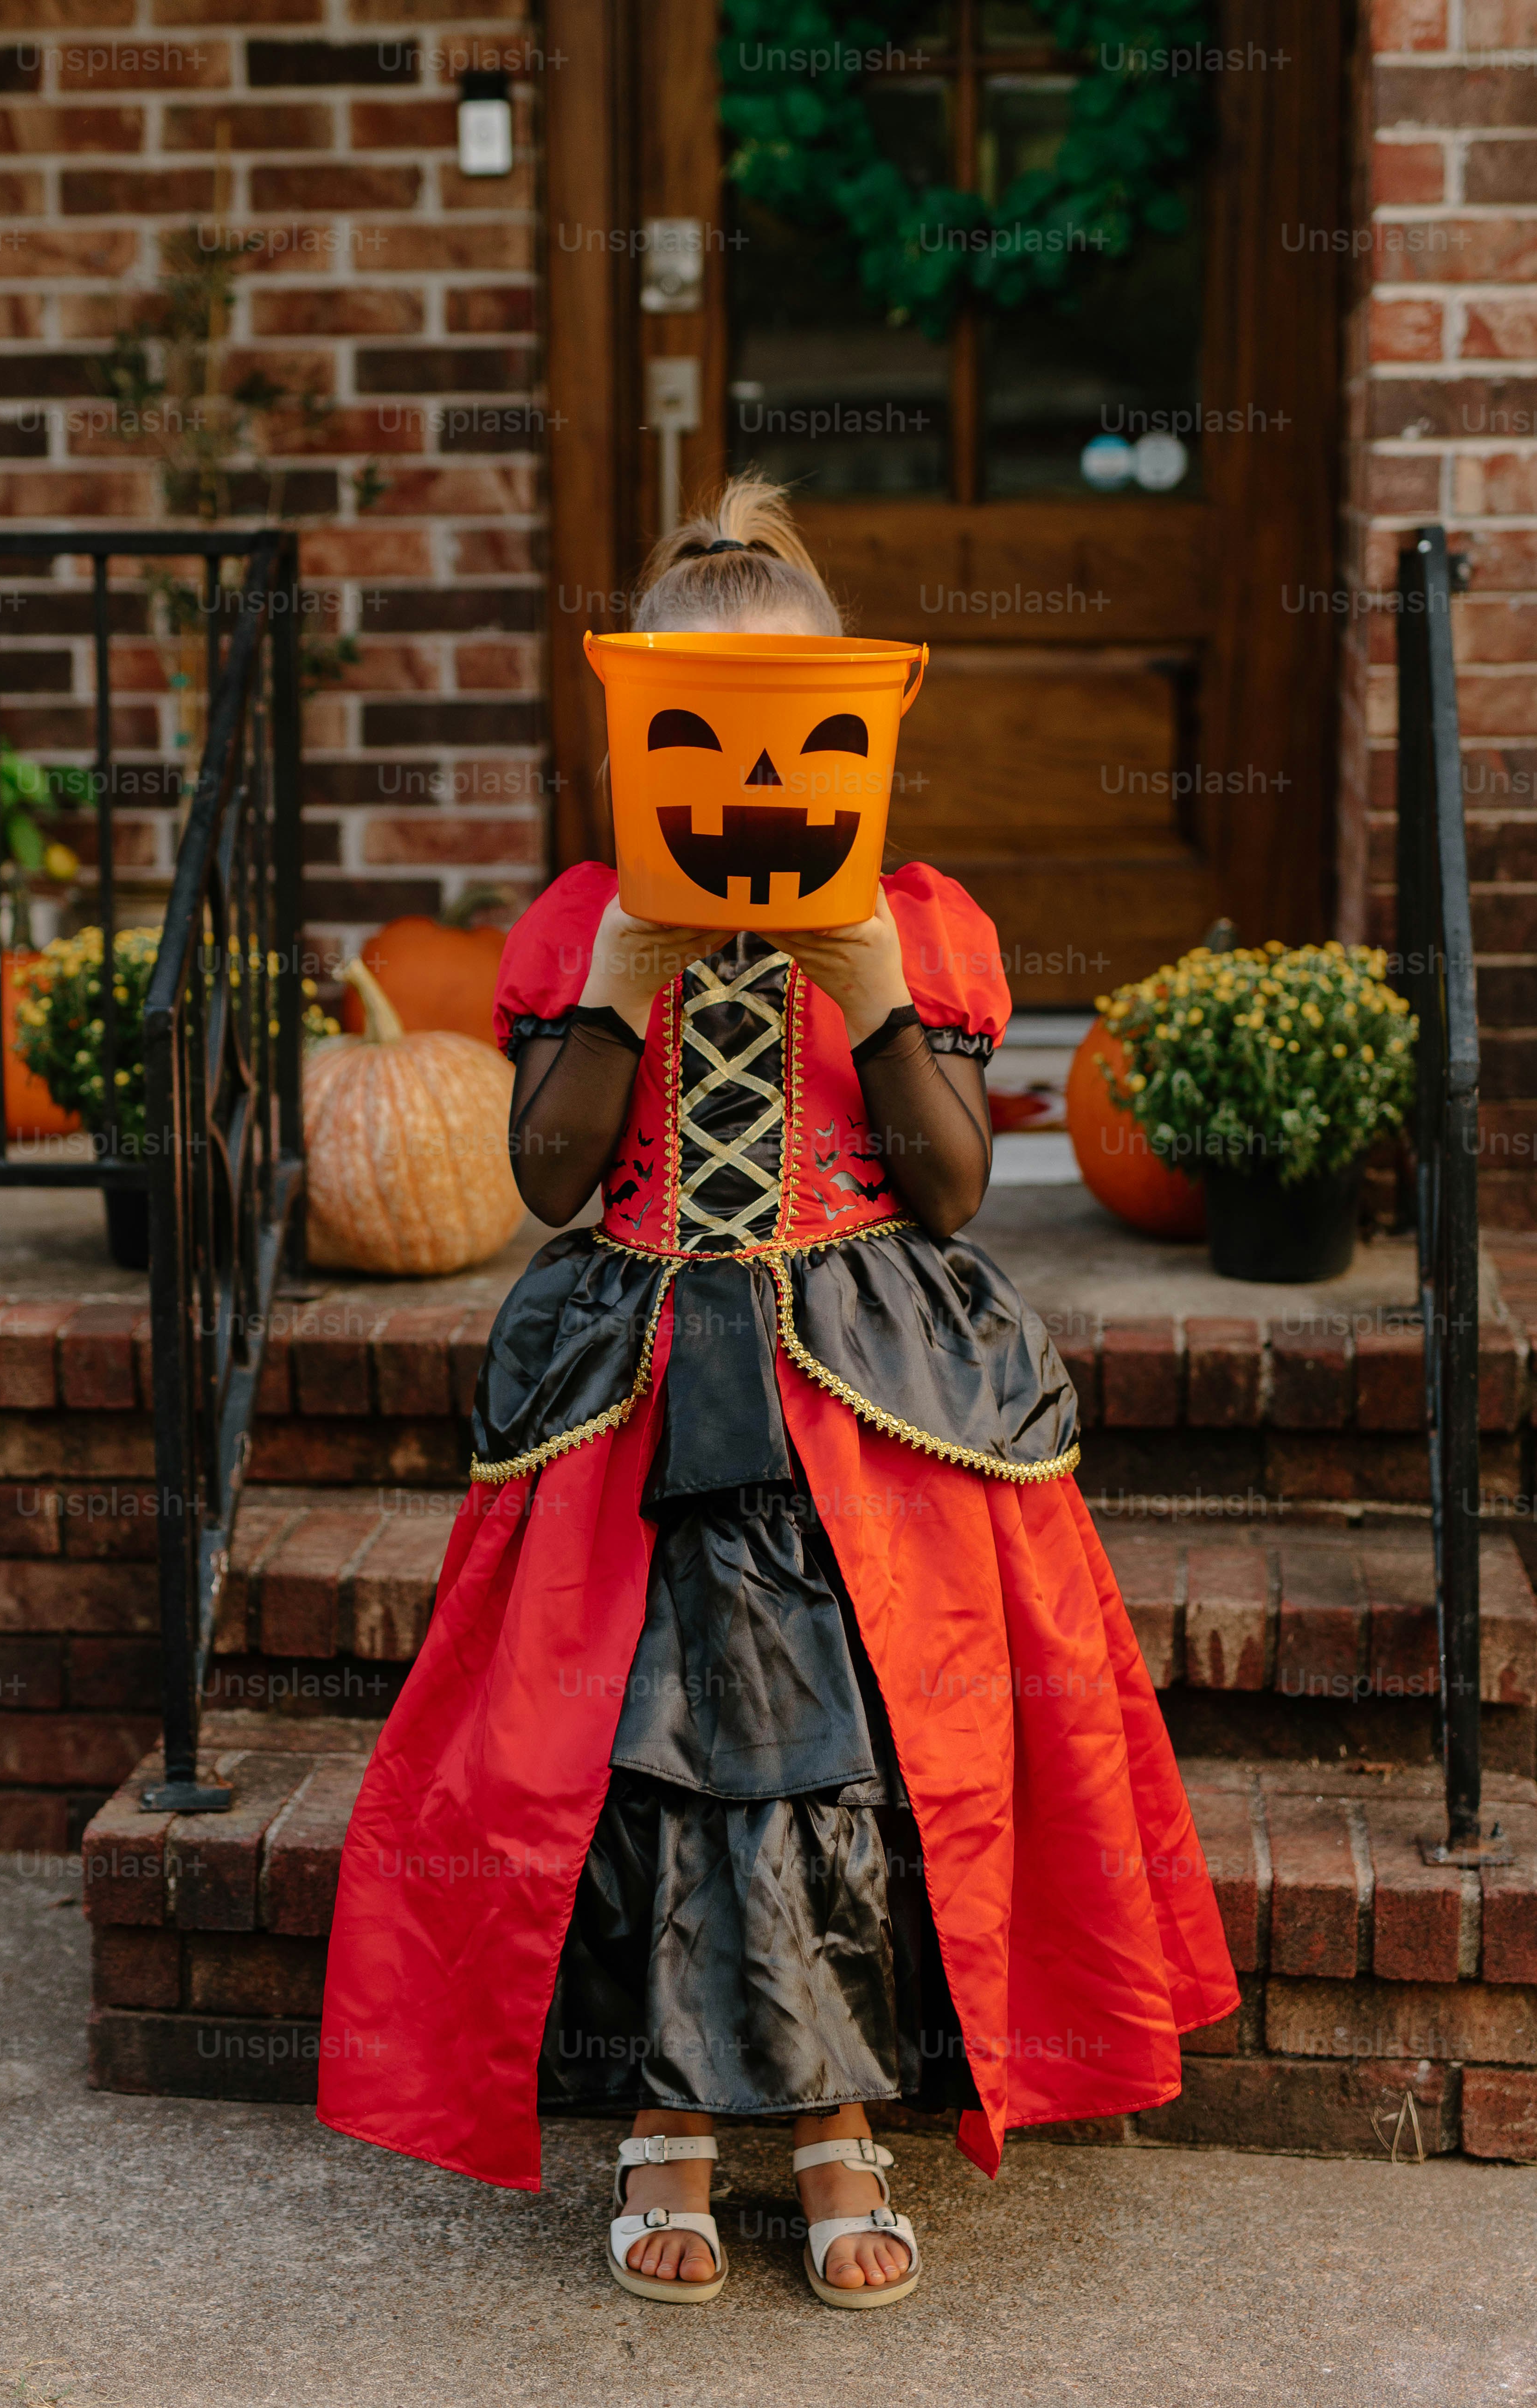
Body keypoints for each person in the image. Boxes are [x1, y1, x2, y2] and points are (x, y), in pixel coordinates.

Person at [317, 469, 1238, 2311]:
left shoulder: (919, 920)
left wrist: (879, 993)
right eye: (696, 727)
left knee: (860, 1751)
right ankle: (666, 2120)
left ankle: (835, 2118)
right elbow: (551, 1175)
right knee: (652, 1752)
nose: (746, 778)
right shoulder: (582, 920)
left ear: (854, 734)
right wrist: (615, 983)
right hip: (642, 1380)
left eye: (787, 730)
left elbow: (955, 1181)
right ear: (641, 728)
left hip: (867, 1392)